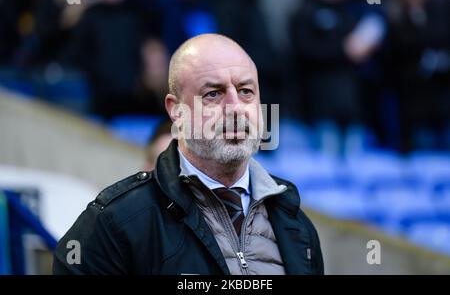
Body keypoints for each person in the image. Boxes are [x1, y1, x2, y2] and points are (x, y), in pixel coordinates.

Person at [53, 34, 324, 275]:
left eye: (245, 91)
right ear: (176, 111)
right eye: (213, 94)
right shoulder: (116, 221)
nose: (235, 108)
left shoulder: (297, 226)